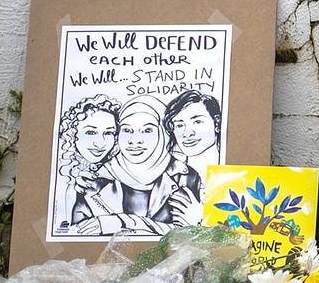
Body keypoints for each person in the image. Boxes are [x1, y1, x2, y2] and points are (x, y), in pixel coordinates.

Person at [74, 96, 182, 236]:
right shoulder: (96, 179)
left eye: (147, 130)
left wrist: (122, 222)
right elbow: (76, 234)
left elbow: (196, 234)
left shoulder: (183, 176)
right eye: (127, 130)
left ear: (163, 133)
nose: (135, 141)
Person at [51, 95, 119, 235]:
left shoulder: (115, 176)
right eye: (91, 132)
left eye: (109, 132)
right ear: (72, 133)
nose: (100, 143)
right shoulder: (59, 177)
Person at [162, 90, 222, 225]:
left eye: (197, 121)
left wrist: (202, 221)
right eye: (179, 125)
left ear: (217, 124)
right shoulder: (170, 179)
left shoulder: (233, 174)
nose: (187, 132)